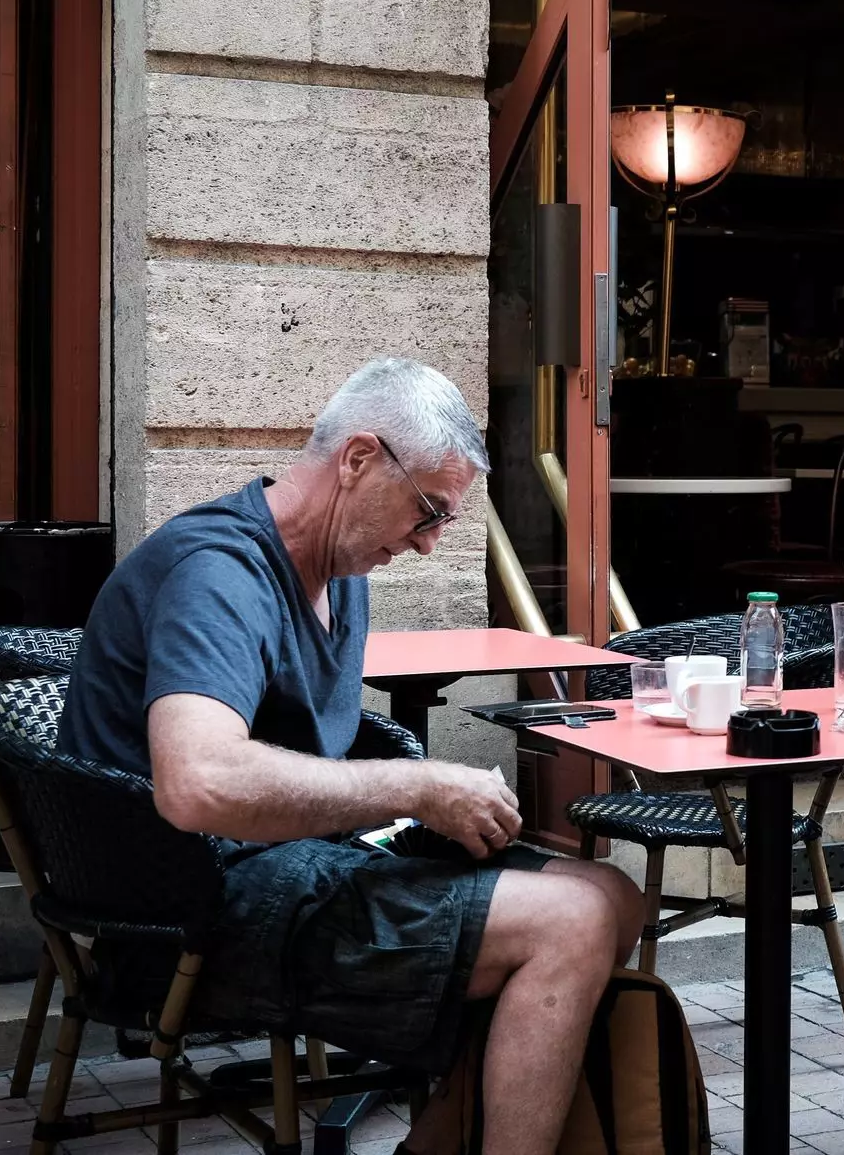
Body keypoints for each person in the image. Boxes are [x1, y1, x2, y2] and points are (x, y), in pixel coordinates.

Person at [60, 358, 641, 1155]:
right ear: (360, 459)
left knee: (612, 891)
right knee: (570, 922)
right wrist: (416, 785)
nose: (432, 543)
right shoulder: (220, 573)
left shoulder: (340, 571)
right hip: (188, 916)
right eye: (429, 510)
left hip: (289, 876)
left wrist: (416, 809)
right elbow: (200, 782)